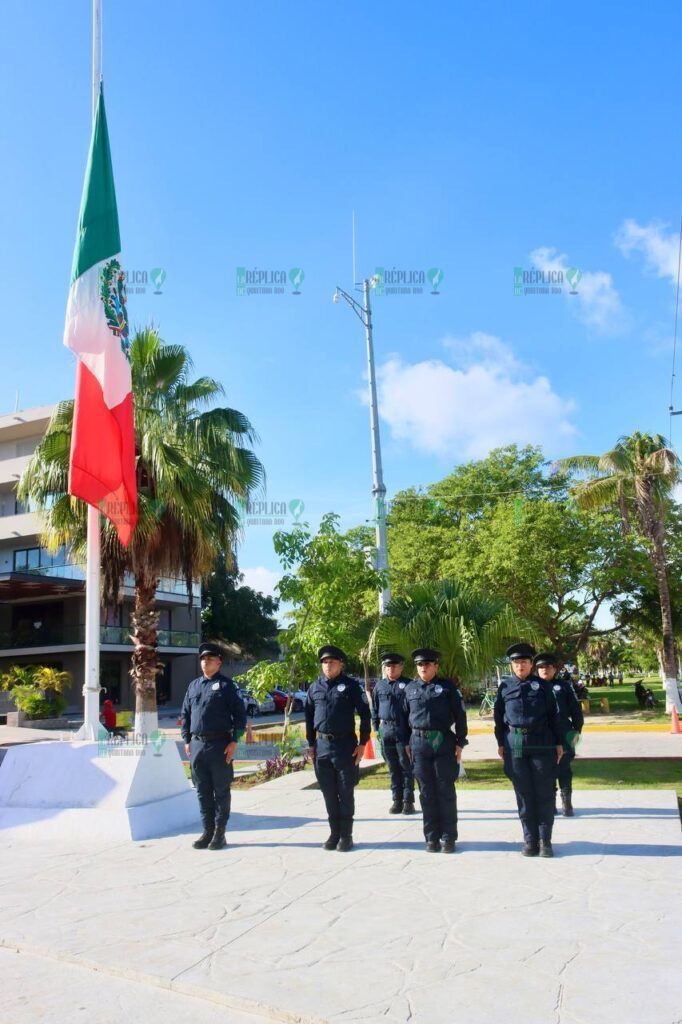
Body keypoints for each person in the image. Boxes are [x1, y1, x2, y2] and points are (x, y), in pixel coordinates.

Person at [494, 642, 563, 857]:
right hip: (514, 744)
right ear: (511, 665)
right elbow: (499, 719)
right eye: (516, 662)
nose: (520, 665)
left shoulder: (543, 687)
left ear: (531, 663)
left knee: (543, 792)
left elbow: (555, 717)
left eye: (524, 661)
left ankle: (545, 841)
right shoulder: (505, 687)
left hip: (541, 741)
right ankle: (530, 840)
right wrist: (500, 743)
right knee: (523, 793)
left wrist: (559, 743)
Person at [180, 641, 246, 850]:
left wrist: (235, 741)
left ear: (219, 662)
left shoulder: (227, 686)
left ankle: (220, 833)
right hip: (198, 745)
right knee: (202, 790)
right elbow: (186, 714)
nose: (205, 661)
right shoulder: (193, 686)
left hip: (220, 745)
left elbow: (240, 716)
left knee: (221, 791)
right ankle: (207, 831)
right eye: (202, 658)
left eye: (209, 658)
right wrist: (187, 740)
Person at [401, 648, 468, 853]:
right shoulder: (410, 689)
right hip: (418, 743)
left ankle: (448, 837)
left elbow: (460, 715)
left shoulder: (447, 687)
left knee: (445, 791)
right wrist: (406, 743)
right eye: (420, 664)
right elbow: (403, 718)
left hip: (442, 741)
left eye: (428, 664)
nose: (423, 667)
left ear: (436, 666)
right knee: (426, 793)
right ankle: (431, 838)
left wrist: (460, 742)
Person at [305, 645, 371, 852]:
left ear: (341, 664)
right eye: (324, 662)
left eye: (332, 662)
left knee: (345, 792)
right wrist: (310, 744)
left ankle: (346, 836)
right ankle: (334, 833)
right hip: (322, 747)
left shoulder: (351, 686)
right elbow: (308, 717)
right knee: (329, 794)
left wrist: (363, 744)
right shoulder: (314, 687)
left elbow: (365, 715)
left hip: (345, 746)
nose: (327, 665)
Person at [533, 652, 583, 816]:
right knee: (545, 770)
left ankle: (567, 804)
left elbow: (576, 713)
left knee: (564, 769)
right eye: (540, 667)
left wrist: (576, 735)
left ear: (554, 669)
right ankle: (550, 804)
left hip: (564, 732)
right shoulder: (532, 686)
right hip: (542, 735)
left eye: (548, 666)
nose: (544, 669)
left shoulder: (564, 686)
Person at [371, 652, 415, 815]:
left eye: (394, 665)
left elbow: (413, 710)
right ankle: (396, 800)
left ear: (401, 667)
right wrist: (376, 728)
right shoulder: (379, 686)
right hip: (386, 731)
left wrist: (411, 736)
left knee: (406, 767)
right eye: (388, 666)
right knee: (392, 767)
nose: (391, 668)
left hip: (403, 730)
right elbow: (374, 708)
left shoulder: (409, 685)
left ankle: (408, 801)